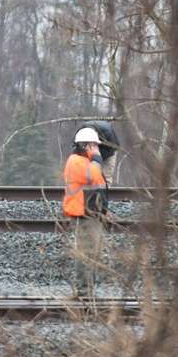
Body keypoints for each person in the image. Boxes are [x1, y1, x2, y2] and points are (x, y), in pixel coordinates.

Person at [62, 127, 109, 297]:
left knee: (92, 254)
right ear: (85, 146)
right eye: (94, 145)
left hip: (91, 213)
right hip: (84, 214)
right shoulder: (76, 161)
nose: (97, 149)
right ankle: (83, 293)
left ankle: (87, 292)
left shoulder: (84, 161)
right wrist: (97, 158)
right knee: (86, 254)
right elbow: (95, 176)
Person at [81, 119, 120, 185]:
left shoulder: (107, 132)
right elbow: (76, 146)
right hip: (94, 151)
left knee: (106, 174)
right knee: (88, 173)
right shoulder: (82, 131)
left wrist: (97, 158)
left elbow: (109, 151)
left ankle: (105, 190)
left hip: (110, 149)